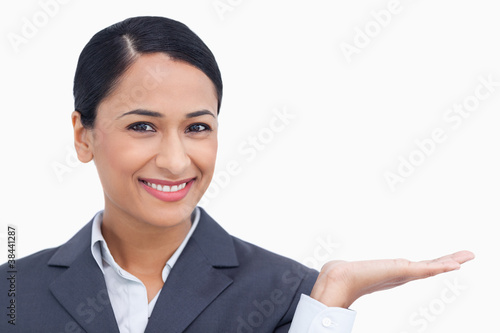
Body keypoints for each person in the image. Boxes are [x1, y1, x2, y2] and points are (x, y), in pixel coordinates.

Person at [0, 16, 474, 333]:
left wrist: (326, 306)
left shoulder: (293, 296)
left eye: (197, 127)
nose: (175, 160)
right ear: (83, 135)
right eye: (143, 126)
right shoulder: (12, 292)